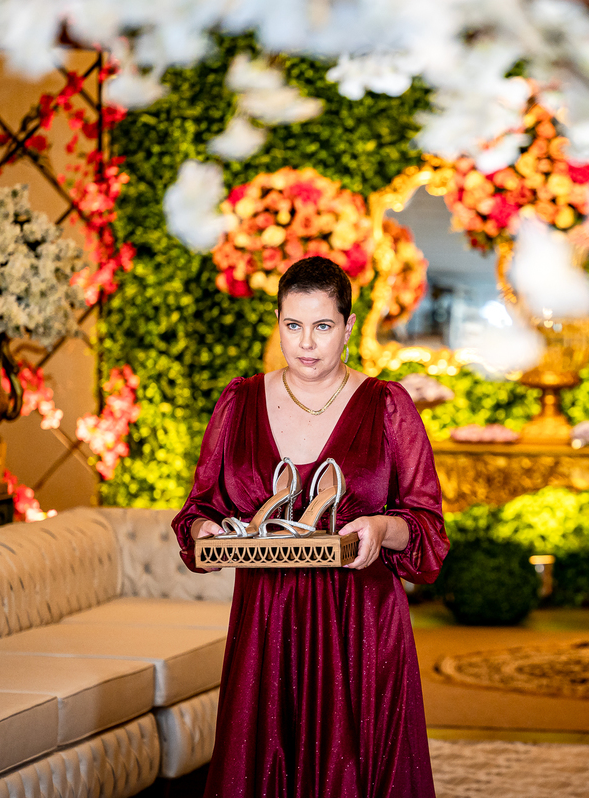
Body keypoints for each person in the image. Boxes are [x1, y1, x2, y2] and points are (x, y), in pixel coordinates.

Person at [172, 255, 448, 798]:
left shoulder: (388, 405)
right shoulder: (239, 401)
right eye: (292, 325)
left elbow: (428, 527)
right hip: (265, 627)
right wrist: (205, 535)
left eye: (322, 326)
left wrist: (380, 527)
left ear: (348, 326)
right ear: (277, 321)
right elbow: (199, 508)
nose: (306, 343)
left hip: (362, 625)